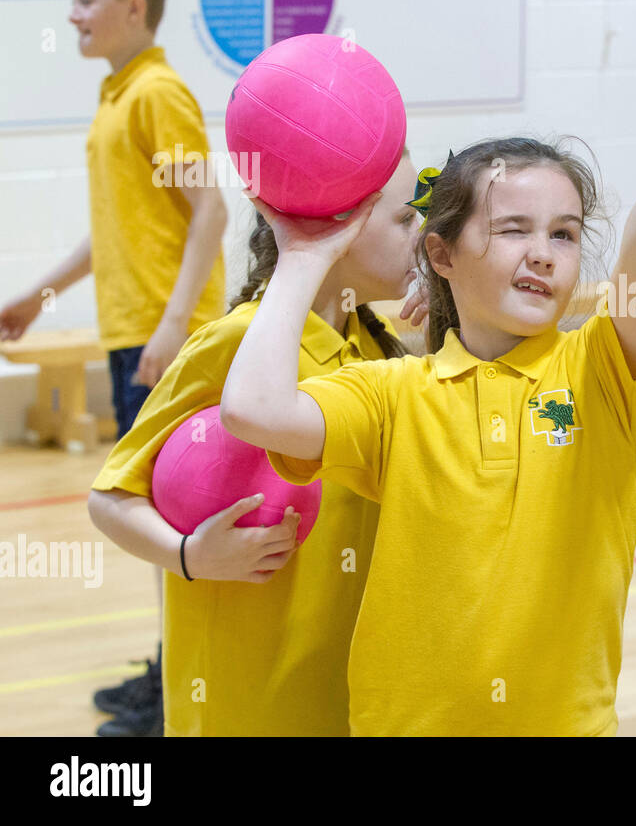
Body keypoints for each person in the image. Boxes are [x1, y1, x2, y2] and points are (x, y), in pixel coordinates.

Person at [219, 50, 636, 735]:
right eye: (513, 230)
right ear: (443, 255)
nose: (543, 252)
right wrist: (306, 256)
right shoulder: (392, 395)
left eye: (564, 235)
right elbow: (254, 408)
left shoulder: (600, 375)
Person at [87, 153, 422, 735]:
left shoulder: (380, 348)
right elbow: (110, 500)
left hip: (341, 696)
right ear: (338, 228)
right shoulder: (238, 343)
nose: (422, 232)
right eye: (404, 220)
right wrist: (190, 556)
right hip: (241, 704)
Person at [0, 0, 227, 736]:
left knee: (166, 518)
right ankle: (172, 670)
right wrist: (38, 295)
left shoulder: (157, 93)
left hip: (170, 344)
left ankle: (183, 695)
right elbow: (117, 233)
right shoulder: (117, 97)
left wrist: (173, 328)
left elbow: (212, 210)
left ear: (134, 8)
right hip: (139, 338)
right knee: (158, 516)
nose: (73, 14)